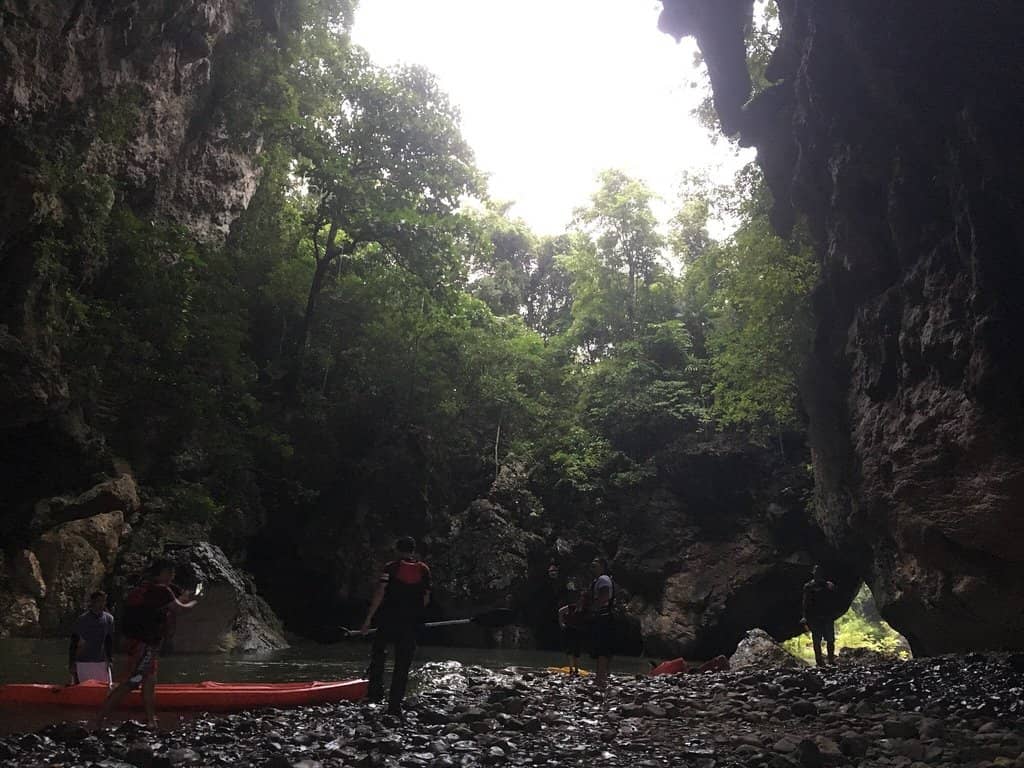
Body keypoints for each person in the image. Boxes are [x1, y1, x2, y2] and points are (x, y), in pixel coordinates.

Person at [97, 559, 196, 729]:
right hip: (145, 645)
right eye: (170, 572)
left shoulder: (146, 587)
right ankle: (99, 718)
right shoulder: (162, 590)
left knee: (149, 682)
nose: (172, 576)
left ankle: (151, 720)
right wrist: (193, 601)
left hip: (143, 644)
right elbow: (180, 609)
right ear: (162, 573)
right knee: (132, 681)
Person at [360, 536, 431, 717]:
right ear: (413, 551)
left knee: (378, 654)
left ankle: (375, 694)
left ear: (397, 550)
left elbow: (380, 593)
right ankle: (394, 705)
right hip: (410, 624)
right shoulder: (424, 569)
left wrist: (368, 619)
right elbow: (426, 597)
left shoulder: (390, 567)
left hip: (388, 620)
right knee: (402, 665)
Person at [68, 591, 114, 686]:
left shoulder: (109, 619)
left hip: (101, 661)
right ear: (92, 602)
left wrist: (110, 659)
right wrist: (72, 662)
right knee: (83, 686)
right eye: (98, 601)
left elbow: (108, 641)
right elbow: (74, 642)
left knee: (102, 687)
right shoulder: (82, 619)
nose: (101, 604)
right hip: (83, 661)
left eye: (103, 601)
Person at [801, 564, 837, 667]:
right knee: (817, 640)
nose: (818, 574)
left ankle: (831, 660)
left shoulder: (828, 586)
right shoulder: (809, 586)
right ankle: (819, 661)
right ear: (813, 574)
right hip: (815, 617)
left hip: (827, 616)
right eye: (816, 572)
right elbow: (805, 602)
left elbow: (835, 600)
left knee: (830, 639)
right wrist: (805, 616)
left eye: (819, 572)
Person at [588, 557, 615, 690]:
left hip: (603, 617)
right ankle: (601, 677)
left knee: (602, 649)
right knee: (601, 648)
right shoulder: (599, 580)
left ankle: (600, 678)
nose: (592, 568)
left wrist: (593, 609)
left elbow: (604, 596)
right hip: (603, 616)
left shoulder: (603, 579)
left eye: (595, 565)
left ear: (602, 566)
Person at [557, 583, 585, 675]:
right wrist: (561, 623)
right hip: (569, 630)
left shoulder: (584, 610)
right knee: (569, 650)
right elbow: (560, 611)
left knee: (577, 651)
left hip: (578, 631)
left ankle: (576, 669)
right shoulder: (571, 607)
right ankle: (571, 669)